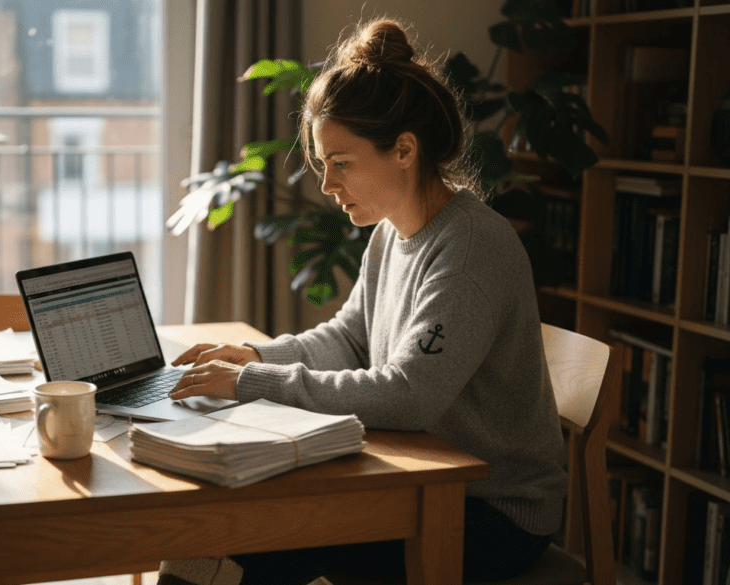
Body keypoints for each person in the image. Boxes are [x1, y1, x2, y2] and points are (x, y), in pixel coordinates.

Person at [157, 16, 568, 585]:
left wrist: (252, 384)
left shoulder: (471, 249)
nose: (327, 185)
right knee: (223, 532)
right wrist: (255, 358)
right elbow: (350, 337)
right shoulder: (390, 232)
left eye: (340, 163)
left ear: (404, 149)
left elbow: (408, 395)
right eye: (324, 164)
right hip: (419, 475)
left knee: (246, 546)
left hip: (492, 510)